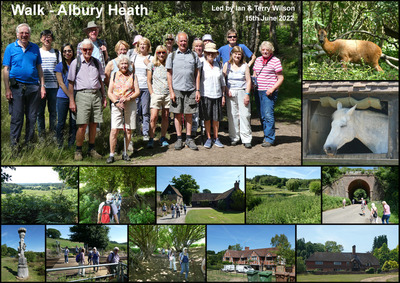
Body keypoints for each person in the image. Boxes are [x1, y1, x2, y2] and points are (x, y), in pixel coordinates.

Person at [3, 23, 46, 151]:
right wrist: (7, 88)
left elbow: (39, 68)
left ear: (29, 34)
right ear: (17, 34)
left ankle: (29, 145)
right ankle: (14, 146)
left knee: (32, 118)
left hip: (33, 87)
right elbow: (6, 69)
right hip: (16, 87)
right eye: (21, 33)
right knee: (17, 118)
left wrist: (42, 86)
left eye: (26, 33)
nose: (24, 35)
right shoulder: (10, 48)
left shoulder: (35, 48)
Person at [67, 39, 107, 161]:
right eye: (85, 49)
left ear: (93, 50)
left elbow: (101, 80)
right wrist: (72, 101)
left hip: (96, 95)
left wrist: (104, 96)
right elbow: (70, 83)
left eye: (90, 49)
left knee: (94, 124)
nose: (87, 51)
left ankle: (91, 149)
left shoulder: (97, 62)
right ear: (81, 50)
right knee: (82, 125)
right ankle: (78, 150)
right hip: (82, 95)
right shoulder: (76, 63)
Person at [166, 32, 201, 151]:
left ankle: (189, 138)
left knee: (189, 115)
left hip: (191, 89)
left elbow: (197, 73)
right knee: (177, 114)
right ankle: (179, 138)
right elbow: (169, 74)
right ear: (177, 42)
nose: (183, 43)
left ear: (188, 41)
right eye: (181, 41)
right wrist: (171, 91)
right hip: (177, 89)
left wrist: (197, 90)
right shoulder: (172, 56)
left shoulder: (194, 55)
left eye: (185, 41)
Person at [106, 54, 140, 163]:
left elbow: (137, 91)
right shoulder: (114, 75)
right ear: (118, 65)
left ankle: (125, 153)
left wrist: (128, 98)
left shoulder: (133, 76)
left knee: (128, 129)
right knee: (114, 129)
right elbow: (110, 92)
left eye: (126, 63)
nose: (124, 65)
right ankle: (111, 154)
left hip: (130, 104)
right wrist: (116, 102)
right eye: (122, 63)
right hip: (117, 104)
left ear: (129, 64)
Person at [253, 41, 284, 147]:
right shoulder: (257, 60)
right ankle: (266, 135)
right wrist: (253, 82)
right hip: (258, 91)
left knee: (268, 115)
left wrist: (272, 88)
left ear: (271, 50)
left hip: (269, 92)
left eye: (267, 50)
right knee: (262, 115)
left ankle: (270, 139)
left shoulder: (275, 61)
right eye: (263, 49)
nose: (265, 51)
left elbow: (280, 78)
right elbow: (255, 73)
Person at [223, 45, 252, 148]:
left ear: (242, 56)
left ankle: (246, 138)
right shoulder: (227, 65)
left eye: (239, 54)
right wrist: (226, 90)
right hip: (230, 92)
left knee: (245, 115)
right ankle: (234, 137)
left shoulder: (245, 66)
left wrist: (247, 94)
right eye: (235, 54)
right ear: (232, 54)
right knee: (232, 115)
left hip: (242, 91)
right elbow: (223, 80)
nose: (237, 56)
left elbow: (248, 81)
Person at [199, 42, 226, 149]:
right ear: (205, 53)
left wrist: (223, 95)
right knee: (207, 118)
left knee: (216, 119)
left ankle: (216, 137)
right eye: (208, 52)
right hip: (205, 95)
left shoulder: (218, 64)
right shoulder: (201, 64)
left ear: (215, 54)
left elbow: (222, 82)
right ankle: (208, 138)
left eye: (213, 53)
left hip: (217, 95)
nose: (211, 55)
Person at [37, 29, 61, 139]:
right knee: (39, 113)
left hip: (54, 87)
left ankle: (53, 136)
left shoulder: (57, 53)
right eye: (44, 36)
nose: (47, 38)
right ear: (41, 39)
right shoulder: (37, 52)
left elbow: (60, 70)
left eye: (49, 36)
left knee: (53, 112)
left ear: (52, 39)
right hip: (39, 87)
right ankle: (42, 137)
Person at [147, 45, 170, 148]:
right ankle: (151, 138)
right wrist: (152, 93)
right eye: (159, 52)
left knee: (165, 116)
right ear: (156, 53)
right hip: (156, 94)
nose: (161, 54)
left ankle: (163, 137)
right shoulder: (152, 64)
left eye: (163, 52)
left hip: (167, 94)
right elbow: (148, 80)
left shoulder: (169, 64)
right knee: (154, 117)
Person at [130, 37, 153, 141]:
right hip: (135, 88)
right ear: (138, 46)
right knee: (135, 111)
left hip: (146, 88)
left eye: (145, 44)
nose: (143, 46)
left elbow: (155, 71)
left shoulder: (151, 58)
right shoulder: (133, 58)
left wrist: (149, 64)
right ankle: (135, 131)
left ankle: (145, 133)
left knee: (145, 111)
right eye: (141, 44)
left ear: (148, 46)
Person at [55, 43, 76, 148]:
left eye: (69, 51)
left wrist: (73, 98)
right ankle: (60, 144)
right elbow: (61, 83)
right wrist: (70, 96)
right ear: (62, 53)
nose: (67, 53)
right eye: (65, 51)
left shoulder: (77, 64)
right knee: (61, 122)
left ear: (73, 52)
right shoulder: (59, 66)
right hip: (62, 97)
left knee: (73, 122)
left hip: (76, 98)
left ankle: (71, 144)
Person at [191, 38, 205, 137]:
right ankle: (194, 129)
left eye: (200, 46)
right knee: (194, 110)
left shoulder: (206, 57)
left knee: (204, 110)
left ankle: (204, 129)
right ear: (193, 47)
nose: (198, 48)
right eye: (196, 46)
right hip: (193, 88)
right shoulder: (190, 57)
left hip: (205, 88)